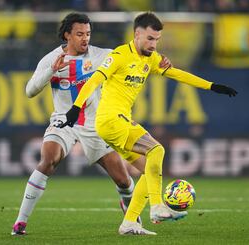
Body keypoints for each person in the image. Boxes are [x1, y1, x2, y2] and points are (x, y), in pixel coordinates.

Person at [61, 12, 238, 235]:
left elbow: (177, 74)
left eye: (157, 40)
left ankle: (129, 222)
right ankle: (156, 207)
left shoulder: (150, 59)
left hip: (117, 123)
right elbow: (95, 79)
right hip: (111, 120)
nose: (154, 44)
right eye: (150, 39)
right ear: (137, 34)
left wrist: (211, 86)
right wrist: (76, 107)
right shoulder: (119, 55)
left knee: (149, 171)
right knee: (157, 149)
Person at [11, 12, 172, 236]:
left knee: (124, 181)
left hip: (96, 123)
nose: (85, 38)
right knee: (48, 160)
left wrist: (160, 59)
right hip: (64, 119)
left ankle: (131, 219)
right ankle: (20, 222)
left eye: (88, 33)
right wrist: (51, 71)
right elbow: (29, 91)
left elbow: (133, 54)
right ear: (67, 35)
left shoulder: (102, 55)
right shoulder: (51, 59)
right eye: (79, 34)